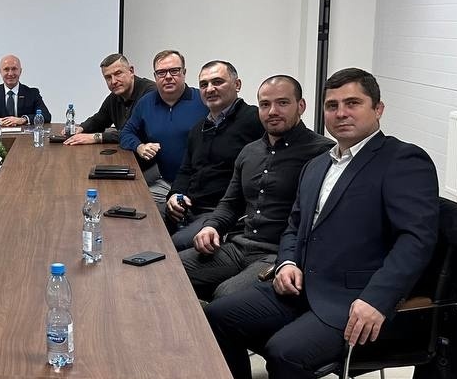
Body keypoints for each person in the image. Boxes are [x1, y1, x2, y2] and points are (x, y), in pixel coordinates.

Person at [204, 68, 439, 379]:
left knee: (286, 351)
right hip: (302, 284)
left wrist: (378, 299)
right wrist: (287, 261)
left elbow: (416, 241)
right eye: (333, 105)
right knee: (217, 315)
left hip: (356, 299)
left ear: (378, 109)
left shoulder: (403, 160)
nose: (341, 113)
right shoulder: (318, 165)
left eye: (353, 104)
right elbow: (295, 225)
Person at [181, 75, 332, 300]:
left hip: (278, 255)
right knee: (169, 270)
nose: (272, 111)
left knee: (224, 295)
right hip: (238, 247)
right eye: (265, 104)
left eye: (282, 103)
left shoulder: (322, 154)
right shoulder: (249, 152)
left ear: (301, 106)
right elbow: (230, 203)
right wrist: (211, 227)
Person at [164, 60, 264, 249]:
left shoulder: (255, 120)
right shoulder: (198, 129)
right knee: (144, 224)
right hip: (188, 208)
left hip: (221, 213)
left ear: (237, 85)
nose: (210, 89)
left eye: (217, 82)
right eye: (204, 84)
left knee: (170, 246)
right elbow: (186, 170)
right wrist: (175, 194)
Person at [119, 49, 208, 205]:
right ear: (155, 76)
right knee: (128, 201)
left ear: (184, 72)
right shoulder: (146, 102)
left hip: (197, 185)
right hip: (164, 182)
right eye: (161, 72)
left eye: (174, 71)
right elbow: (126, 133)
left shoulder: (203, 101)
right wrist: (139, 147)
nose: (168, 77)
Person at [62, 53, 153, 146]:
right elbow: (99, 120)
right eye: (108, 77)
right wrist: (81, 128)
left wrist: (95, 137)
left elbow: (137, 132)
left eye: (118, 74)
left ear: (131, 71)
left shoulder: (150, 93)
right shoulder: (115, 95)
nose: (113, 81)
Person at [0, 54, 50, 127]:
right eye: (6, 69)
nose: (10, 73)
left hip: (24, 135)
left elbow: (46, 116)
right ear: (0, 72)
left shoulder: (32, 93)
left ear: (20, 71)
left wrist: (23, 119)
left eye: (14, 69)